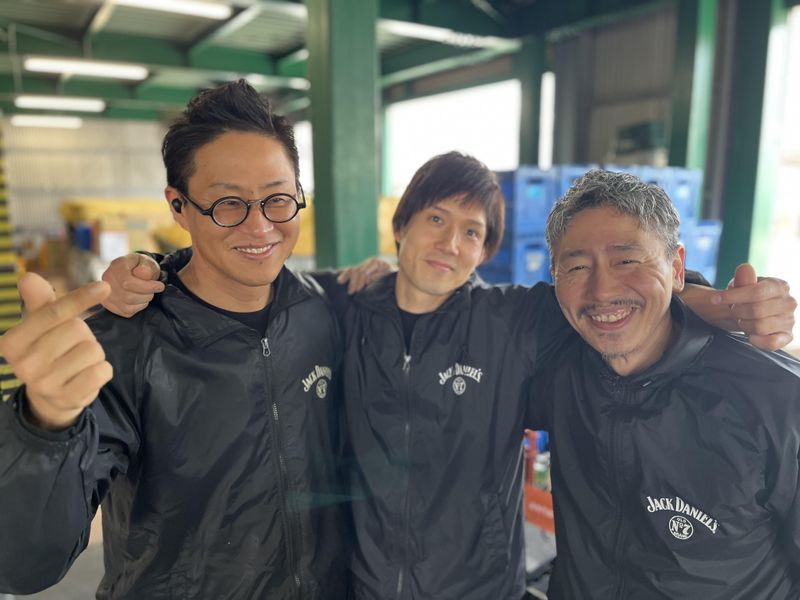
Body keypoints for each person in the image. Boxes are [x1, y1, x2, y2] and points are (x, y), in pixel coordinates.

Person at [99, 152, 797, 599]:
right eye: (436, 219)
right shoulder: (341, 307)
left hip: (478, 588)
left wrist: (712, 302)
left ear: (486, 252)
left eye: (473, 232)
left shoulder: (512, 321)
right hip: (368, 585)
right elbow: (244, 281)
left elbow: (616, 302)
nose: (451, 243)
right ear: (400, 227)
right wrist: (154, 269)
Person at [0, 80, 349, 599]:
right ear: (179, 207)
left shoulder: (325, 312)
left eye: (278, 199)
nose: (260, 226)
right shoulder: (121, 345)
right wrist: (43, 426)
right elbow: (23, 564)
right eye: (228, 203)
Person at [531, 169, 800, 598]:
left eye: (626, 261)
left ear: (677, 268)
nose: (602, 290)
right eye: (577, 266)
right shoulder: (557, 372)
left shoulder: (777, 399)